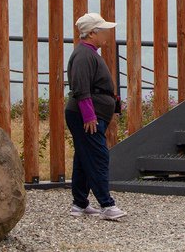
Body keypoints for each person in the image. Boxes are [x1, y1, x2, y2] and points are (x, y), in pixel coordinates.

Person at [65, 13, 127, 221]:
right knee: (98, 156)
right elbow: (81, 89)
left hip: (90, 113)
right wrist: (89, 116)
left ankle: (79, 203)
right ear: (92, 33)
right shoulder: (84, 55)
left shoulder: (88, 53)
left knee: (84, 157)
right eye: (103, 30)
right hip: (85, 115)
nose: (107, 34)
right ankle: (106, 204)